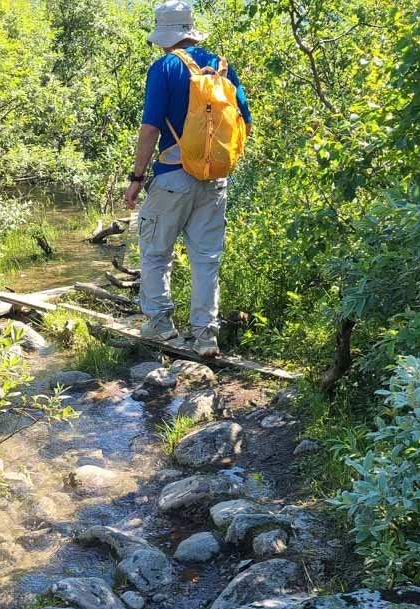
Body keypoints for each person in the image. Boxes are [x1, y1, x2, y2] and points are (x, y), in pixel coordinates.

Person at [123, 0, 251, 359]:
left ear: (165, 35)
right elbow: (245, 122)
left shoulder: (164, 67)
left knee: (155, 252)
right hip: (215, 179)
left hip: (172, 176)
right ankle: (206, 334)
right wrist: (218, 161)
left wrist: (136, 177)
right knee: (206, 258)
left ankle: (160, 324)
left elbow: (150, 129)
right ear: (191, 31)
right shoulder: (222, 66)